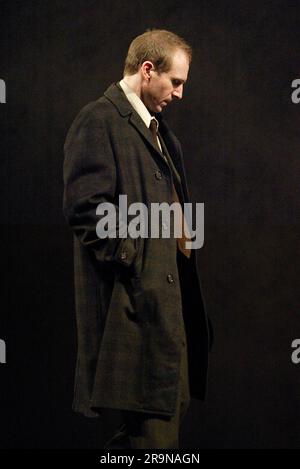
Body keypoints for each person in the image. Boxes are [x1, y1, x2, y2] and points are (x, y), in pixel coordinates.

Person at [63, 29, 213, 449]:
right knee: (149, 445)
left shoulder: (161, 133)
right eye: (176, 82)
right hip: (133, 325)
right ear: (148, 70)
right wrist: (137, 259)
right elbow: (85, 210)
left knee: (158, 440)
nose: (180, 93)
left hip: (168, 323)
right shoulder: (98, 119)